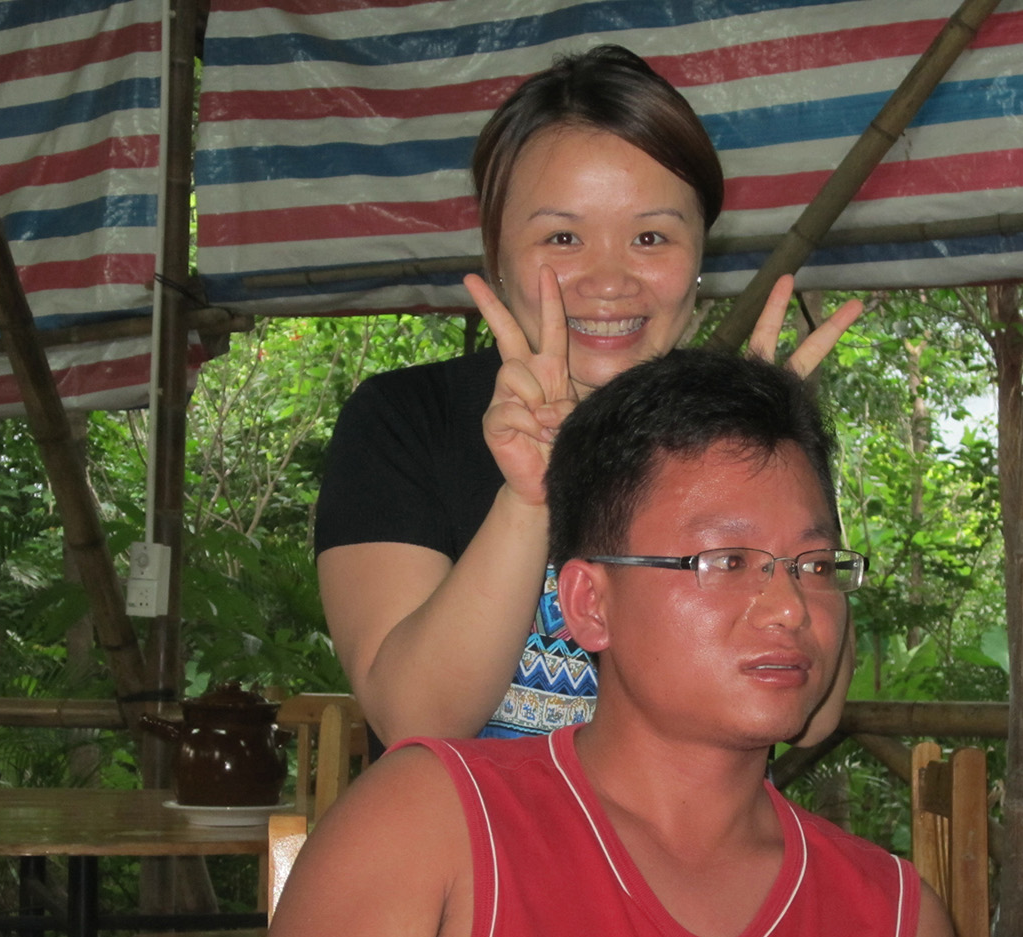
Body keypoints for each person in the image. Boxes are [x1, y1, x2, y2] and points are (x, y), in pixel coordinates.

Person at [224, 351, 970, 937]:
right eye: (727, 560)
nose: (789, 606)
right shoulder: (430, 823)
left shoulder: (894, 924)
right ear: (590, 603)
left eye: (813, 564)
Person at [314, 44, 862, 755]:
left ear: (701, 254)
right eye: (563, 236)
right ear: (496, 251)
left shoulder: (736, 434)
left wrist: (771, 455)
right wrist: (532, 494)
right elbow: (415, 720)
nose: (609, 281)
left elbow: (813, 716)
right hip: (465, 828)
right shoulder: (405, 419)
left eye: (651, 237)